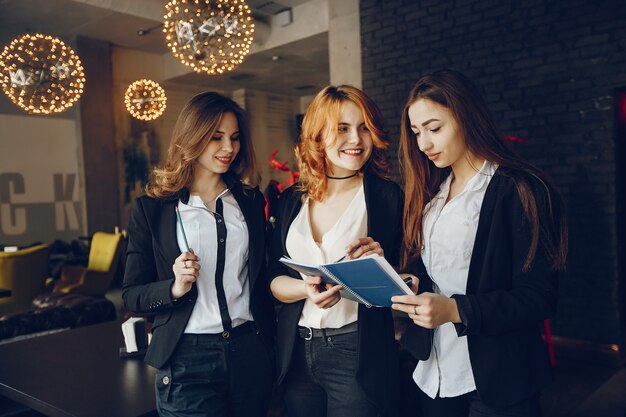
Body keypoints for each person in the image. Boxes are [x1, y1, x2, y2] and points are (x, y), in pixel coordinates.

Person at [391, 69, 568, 417]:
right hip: (436, 373)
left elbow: (539, 297)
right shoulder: (433, 197)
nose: (423, 143)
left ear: (466, 116)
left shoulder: (519, 189)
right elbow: (441, 276)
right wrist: (413, 285)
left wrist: (455, 310)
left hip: (498, 377)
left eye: (434, 128)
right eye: (416, 132)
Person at [122, 92, 275, 417]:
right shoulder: (153, 209)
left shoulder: (248, 200)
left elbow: (263, 274)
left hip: (249, 349)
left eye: (234, 138)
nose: (228, 148)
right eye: (216, 137)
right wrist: (174, 287)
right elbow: (132, 296)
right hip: (186, 357)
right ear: (192, 137)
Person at [268, 85, 403, 417]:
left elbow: (410, 280)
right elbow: (273, 279)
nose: (356, 139)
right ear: (318, 135)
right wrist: (306, 289)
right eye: (342, 128)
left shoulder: (386, 197)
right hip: (297, 349)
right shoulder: (291, 200)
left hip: (358, 350)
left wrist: (382, 264)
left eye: (364, 128)